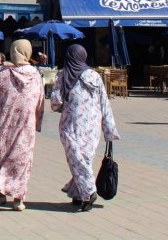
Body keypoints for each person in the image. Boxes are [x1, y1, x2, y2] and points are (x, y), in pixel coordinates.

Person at [0, 39, 45, 211]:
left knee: (0, 157)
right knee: (21, 160)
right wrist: (37, 120)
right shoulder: (36, 75)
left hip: (2, 125)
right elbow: (40, 101)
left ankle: (1, 193)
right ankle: (18, 198)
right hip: (25, 126)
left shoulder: (2, 73)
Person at [51, 44, 119, 212]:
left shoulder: (63, 75)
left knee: (76, 159)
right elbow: (104, 103)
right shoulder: (94, 76)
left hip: (71, 125)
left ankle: (88, 191)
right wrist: (109, 129)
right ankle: (77, 193)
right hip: (92, 127)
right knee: (84, 160)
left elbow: (55, 102)